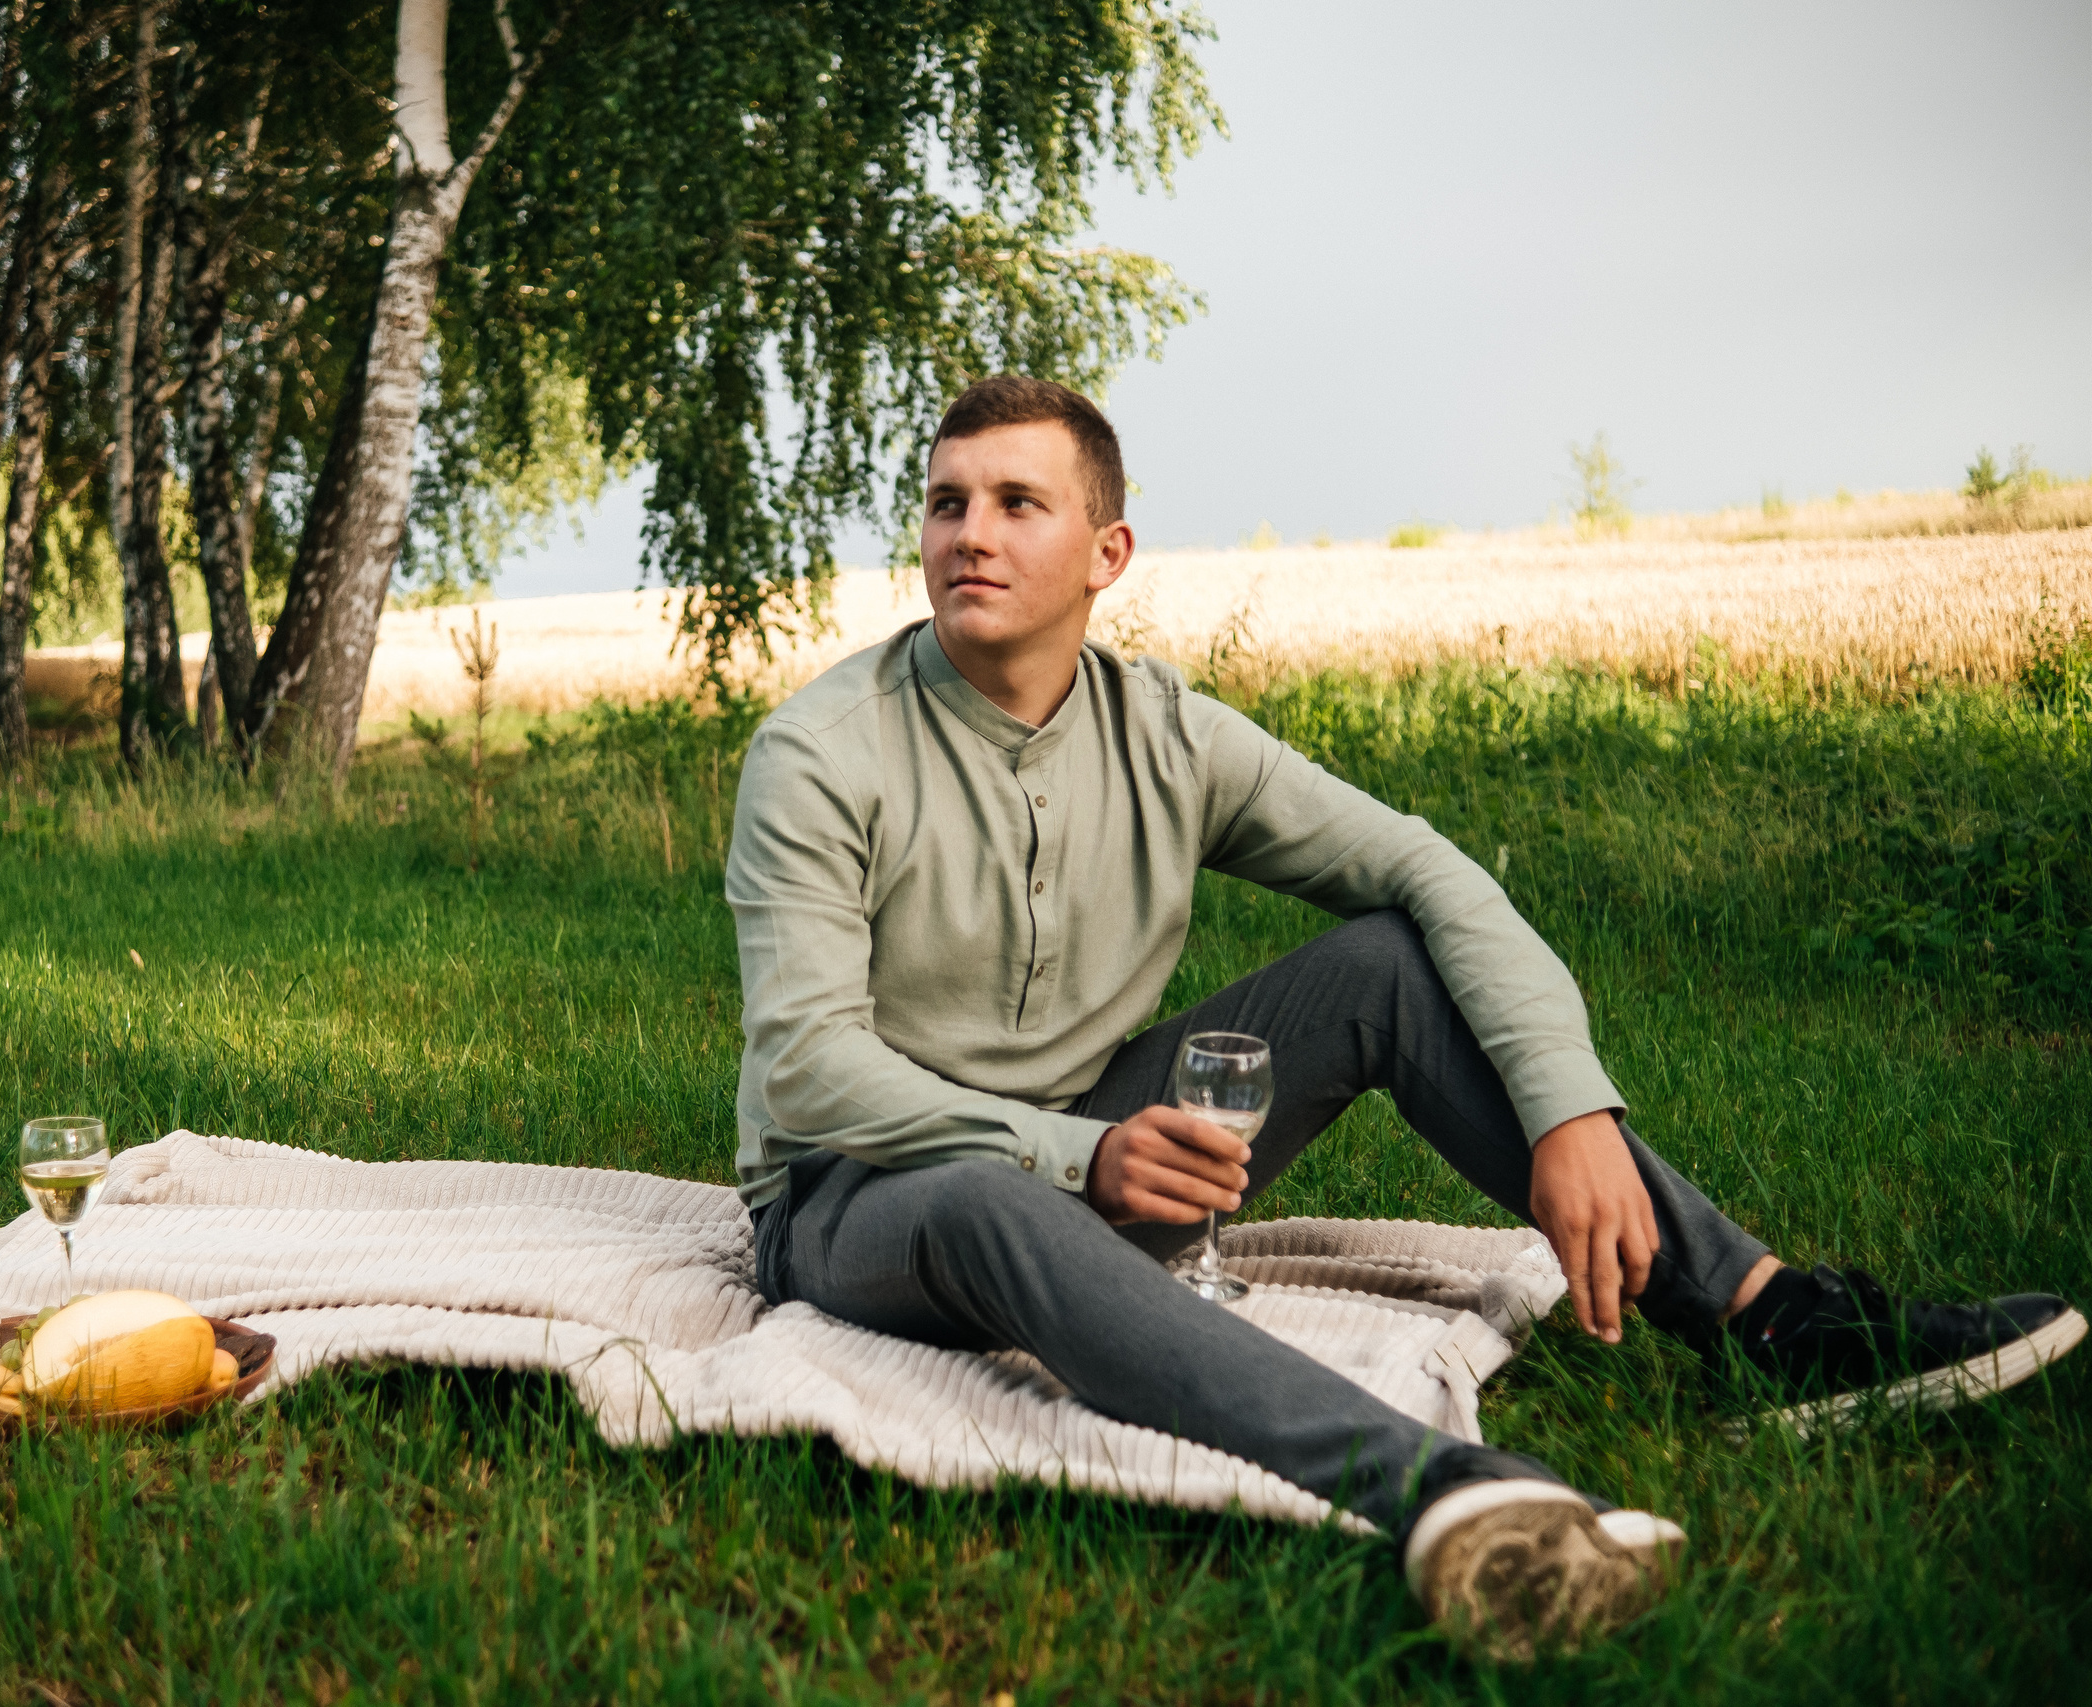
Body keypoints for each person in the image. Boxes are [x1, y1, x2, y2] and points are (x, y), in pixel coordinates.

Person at [724, 375, 2084, 1660]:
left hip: (1102, 1145)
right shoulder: (821, 755)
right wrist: (1077, 1158)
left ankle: (1777, 1321)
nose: (971, 533)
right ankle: (1446, 1495)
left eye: (1019, 502)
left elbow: (1428, 871)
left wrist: (1568, 1105)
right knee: (983, 1194)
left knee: (1385, 962)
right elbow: (810, 1070)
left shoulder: (1172, 735)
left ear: (1108, 551)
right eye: (947, 500)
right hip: (864, 1198)